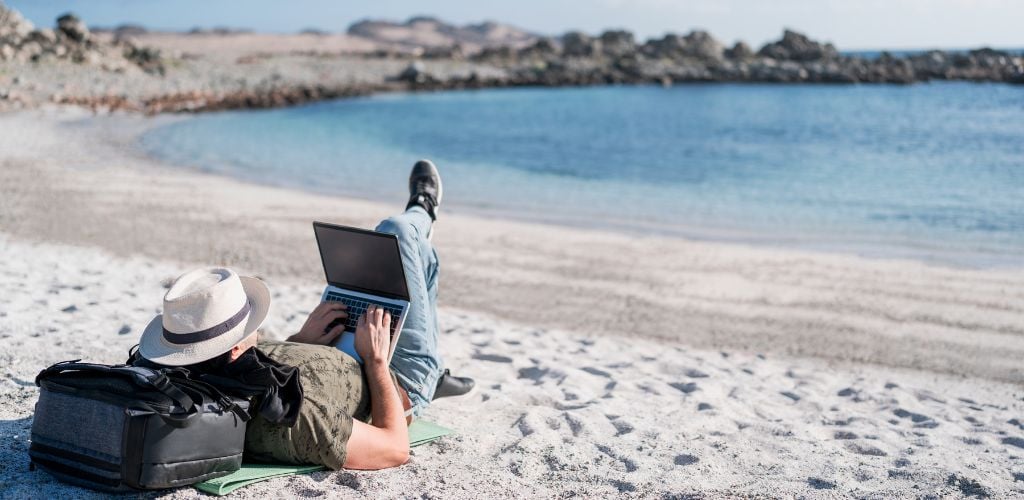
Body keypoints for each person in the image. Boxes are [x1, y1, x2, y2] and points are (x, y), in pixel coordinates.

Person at [133, 160, 473, 471]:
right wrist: (377, 363)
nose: (254, 323)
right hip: (399, 379)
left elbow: (255, 362)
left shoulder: (200, 372)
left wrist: (300, 341)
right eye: (247, 320)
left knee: (407, 260)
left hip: (344, 349)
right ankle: (423, 209)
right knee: (397, 232)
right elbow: (394, 448)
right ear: (235, 348)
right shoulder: (293, 412)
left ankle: (422, 238)